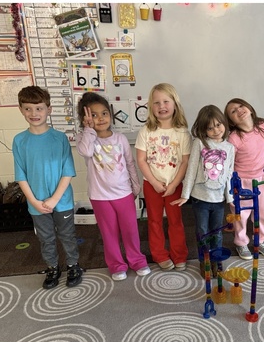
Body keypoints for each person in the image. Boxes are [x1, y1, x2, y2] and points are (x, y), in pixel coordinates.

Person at [13, 85, 82, 289]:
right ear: (21, 109)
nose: (34, 113)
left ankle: (73, 265)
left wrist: (54, 199)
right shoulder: (19, 141)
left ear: (48, 109)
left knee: (67, 235)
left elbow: (67, 171)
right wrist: (34, 201)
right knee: (45, 238)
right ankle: (52, 267)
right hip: (36, 203)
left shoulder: (59, 138)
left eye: (39, 108)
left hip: (62, 201)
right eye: (28, 109)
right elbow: (21, 175)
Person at [75, 92, 149, 281]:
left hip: (123, 193)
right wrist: (89, 130)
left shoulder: (120, 139)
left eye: (104, 113)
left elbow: (130, 163)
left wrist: (135, 185)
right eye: (93, 115)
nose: (100, 118)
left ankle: (137, 260)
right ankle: (116, 264)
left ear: (111, 115)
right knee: (109, 233)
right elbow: (85, 151)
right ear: (85, 119)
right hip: (100, 196)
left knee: (130, 230)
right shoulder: (85, 138)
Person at [135, 83, 191, 270]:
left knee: (176, 221)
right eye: (156, 102)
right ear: (151, 106)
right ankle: (159, 254)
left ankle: (179, 254)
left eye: (166, 101)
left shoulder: (182, 132)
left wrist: (174, 184)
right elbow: (141, 160)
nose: (161, 106)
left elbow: (185, 161)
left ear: (175, 103)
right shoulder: (146, 131)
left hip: (175, 185)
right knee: (154, 221)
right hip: (152, 185)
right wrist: (154, 182)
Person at [174, 105, 236, 259]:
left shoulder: (229, 148)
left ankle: (217, 259)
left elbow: (229, 174)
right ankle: (205, 262)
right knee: (202, 232)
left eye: (218, 124)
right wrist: (185, 195)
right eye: (210, 128)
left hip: (219, 200)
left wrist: (230, 198)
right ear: (203, 130)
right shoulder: (199, 143)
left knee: (217, 232)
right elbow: (191, 170)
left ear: (224, 123)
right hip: (200, 198)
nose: (215, 130)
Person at [224, 97, 264, 260]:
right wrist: (231, 189)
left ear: (249, 108)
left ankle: (259, 240)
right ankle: (241, 242)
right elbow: (228, 165)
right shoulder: (233, 138)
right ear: (231, 121)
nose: (239, 110)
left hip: (261, 180)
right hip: (242, 182)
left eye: (241, 106)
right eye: (233, 111)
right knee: (241, 215)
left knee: (263, 213)